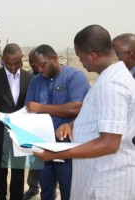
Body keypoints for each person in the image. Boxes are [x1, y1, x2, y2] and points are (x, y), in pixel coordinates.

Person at [34, 25, 135, 200]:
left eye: (81, 57)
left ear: (94, 56)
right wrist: (74, 125)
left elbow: (109, 143)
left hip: (106, 183)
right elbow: (101, 115)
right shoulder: (108, 77)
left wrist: (58, 153)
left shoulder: (113, 84)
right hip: (97, 174)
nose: (81, 62)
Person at [25, 44, 89, 200]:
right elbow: (29, 109)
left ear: (54, 58)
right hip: (43, 145)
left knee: (69, 188)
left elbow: (76, 108)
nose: (40, 69)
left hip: (68, 145)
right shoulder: (35, 82)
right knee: (46, 189)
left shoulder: (74, 77)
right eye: (36, 66)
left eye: (43, 65)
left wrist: (41, 107)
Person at [0, 43, 33, 200]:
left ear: (21, 58)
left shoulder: (30, 78)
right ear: (3, 59)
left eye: (16, 63)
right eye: (9, 63)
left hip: (20, 133)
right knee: (0, 171)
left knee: (18, 172)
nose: (13, 67)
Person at [23, 47, 40, 200]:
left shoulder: (50, 74)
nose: (33, 64)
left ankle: (51, 191)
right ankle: (33, 188)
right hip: (32, 126)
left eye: (35, 61)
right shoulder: (28, 76)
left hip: (49, 125)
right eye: (30, 61)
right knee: (33, 159)